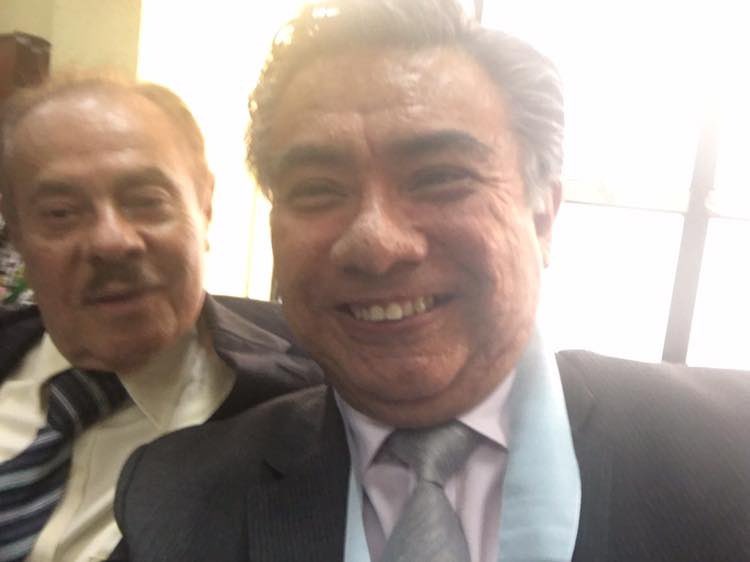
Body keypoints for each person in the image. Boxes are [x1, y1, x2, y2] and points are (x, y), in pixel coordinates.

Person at [113, 1, 750, 561]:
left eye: (441, 176)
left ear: (542, 216)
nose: (375, 243)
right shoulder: (180, 498)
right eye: (317, 189)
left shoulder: (730, 456)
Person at [0, 75, 322, 562]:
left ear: (205, 205)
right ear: (18, 232)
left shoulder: (312, 391)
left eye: (147, 201)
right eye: (61, 212)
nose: (112, 242)